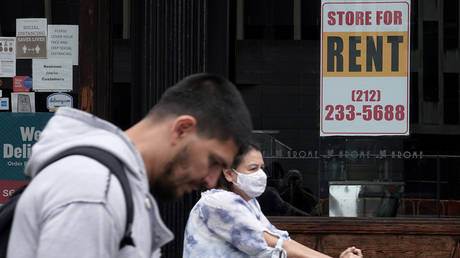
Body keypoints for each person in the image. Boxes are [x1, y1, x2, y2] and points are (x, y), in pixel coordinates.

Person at [7, 73, 253, 258]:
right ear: (182, 129)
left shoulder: (114, 186)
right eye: (213, 161)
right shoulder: (94, 190)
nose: (210, 180)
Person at [183, 142, 363, 258]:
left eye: (261, 167)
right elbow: (270, 243)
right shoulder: (219, 202)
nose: (261, 174)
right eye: (253, 168)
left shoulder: (248, 202)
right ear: (229, 173)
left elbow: (279, 239)